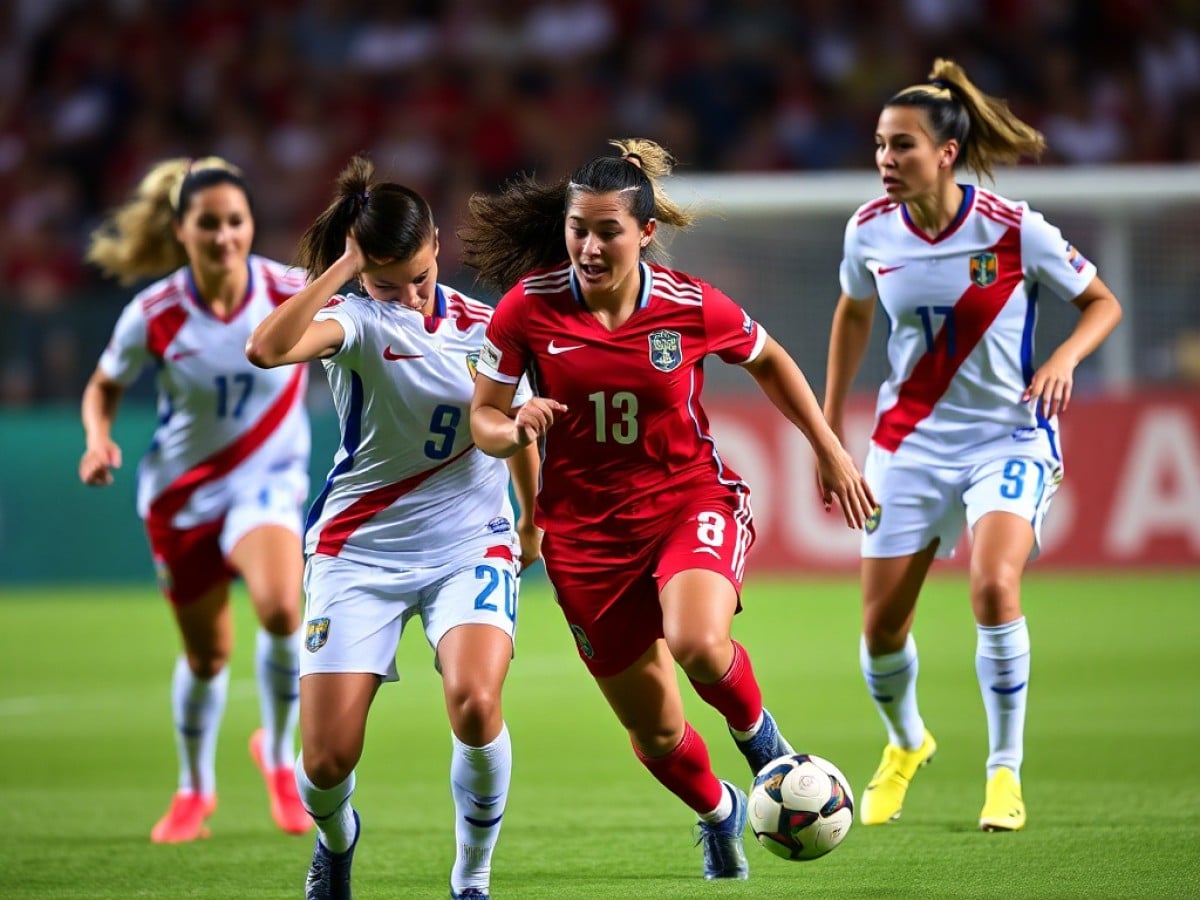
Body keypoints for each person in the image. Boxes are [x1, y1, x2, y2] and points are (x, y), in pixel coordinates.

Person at [462, 138, 876, 881]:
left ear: (645, 233)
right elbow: (484, 417)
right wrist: (512, 427)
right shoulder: (527, 310)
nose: (589, 247)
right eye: (577, 229)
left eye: (607, 231)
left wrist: (829, 447)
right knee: (655, 732)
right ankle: (718, 810)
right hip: (585, 540)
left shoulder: (689, 306)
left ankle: (761, 741)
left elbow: (772, 360)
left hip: (687, 501)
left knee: (696, 641)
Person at [823, 59, 1124, 833]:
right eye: (881, 146)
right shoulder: (868, 230)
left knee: (994, 587)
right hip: (909, 444)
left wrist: (1064, 357)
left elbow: (1101, 302)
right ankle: (906, 744)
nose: (886, 160)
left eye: (903, 146)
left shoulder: (1013, 226)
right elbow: (853, 314)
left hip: (1008, 437)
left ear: (947, 153)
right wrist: (829, 429)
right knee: (881, 630)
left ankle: (1003, 775)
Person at [244, 155, 541, 900]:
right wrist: (344, 270)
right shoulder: (355, 319)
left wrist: (531, 520)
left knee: (476, 702)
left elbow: (514, 429)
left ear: (437, 243)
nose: (408, 296)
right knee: (324, 762)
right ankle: (337, 843)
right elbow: (266, 348)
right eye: (386, 283)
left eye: (417, 276)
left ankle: (471, 880)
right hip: (359, 552)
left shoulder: (489, 328)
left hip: (470, 539)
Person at [79, 157, 313, 842]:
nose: (223, 236)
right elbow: (103, 384)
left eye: (234, 222)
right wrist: (97, 439)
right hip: (181, 496)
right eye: (207, 224)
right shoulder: (154, 313)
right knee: (208, 657)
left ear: (251, 225)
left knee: (280, 607)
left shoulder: (287, 290)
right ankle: (194, 788)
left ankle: (277, 757)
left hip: (268, 481)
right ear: (181, 230)